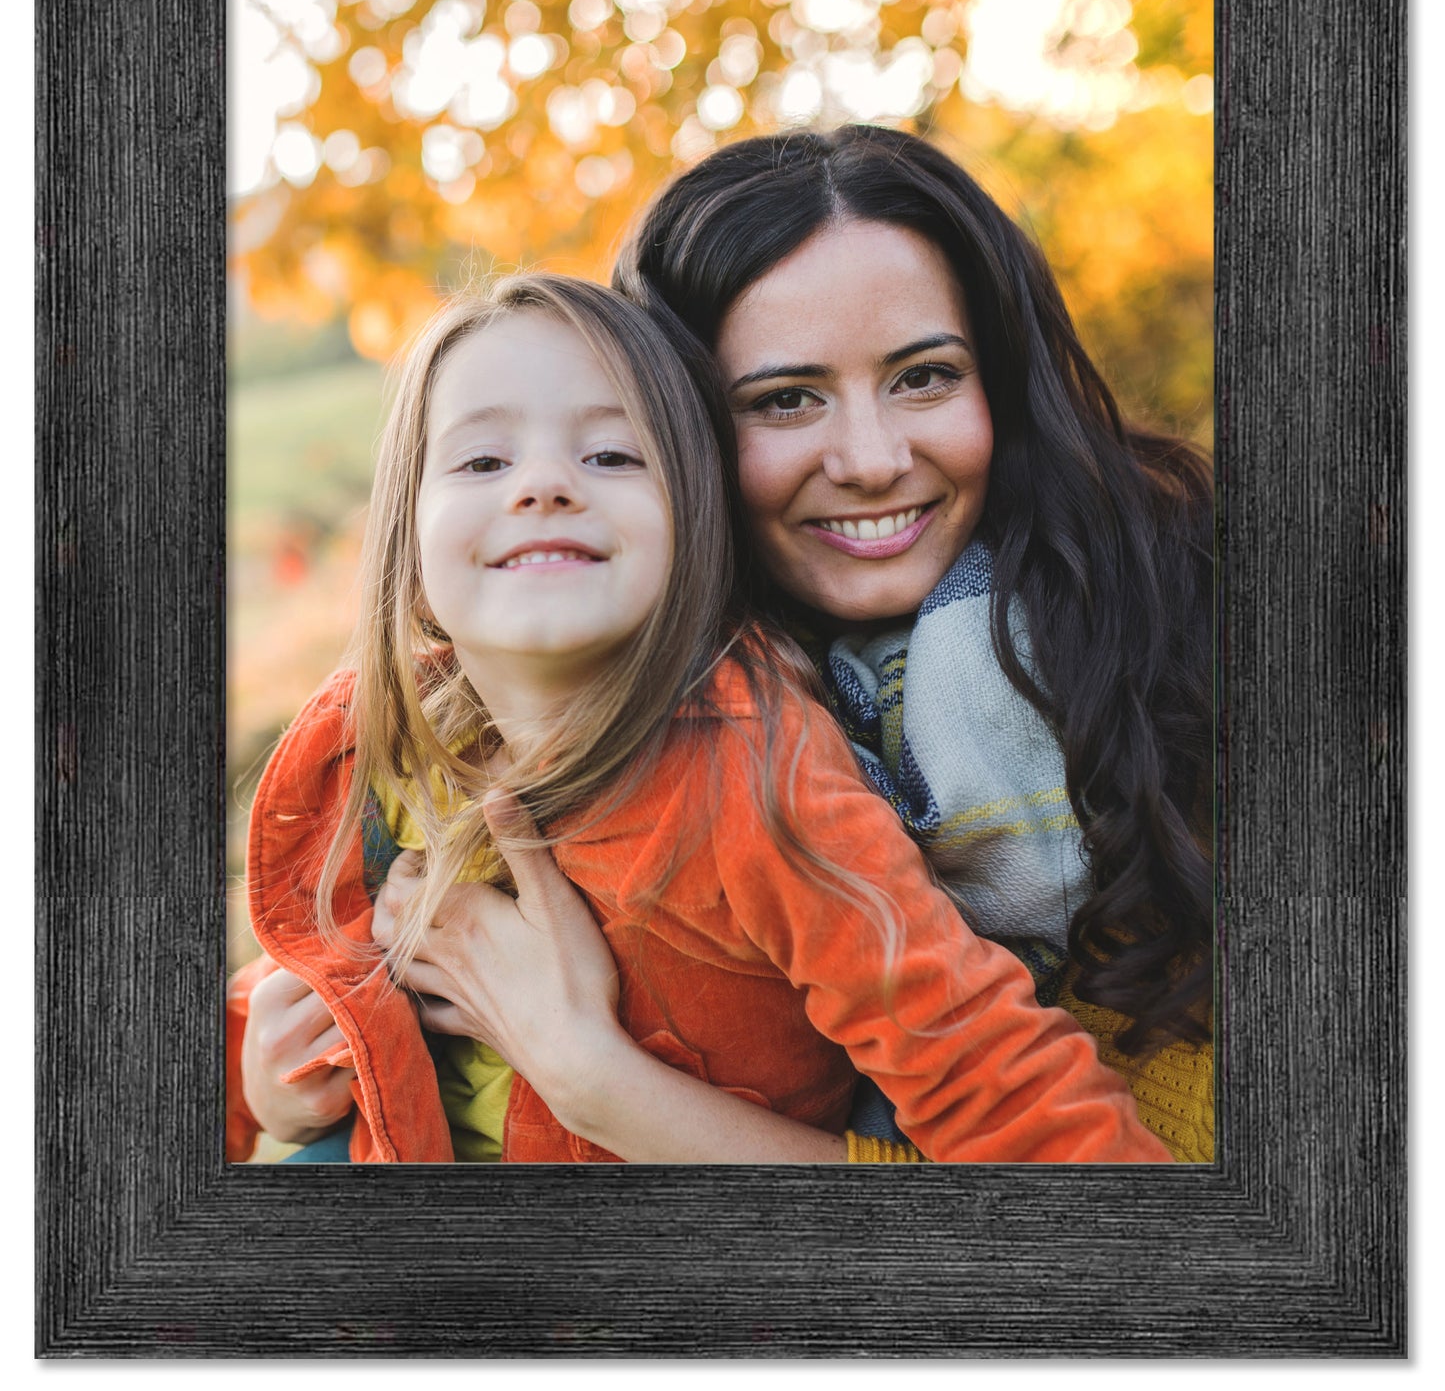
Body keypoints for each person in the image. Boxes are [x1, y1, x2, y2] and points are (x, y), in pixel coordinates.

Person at [227, 270, 1173, 1164]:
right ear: (409, 539)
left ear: (693, 521)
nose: (544, 483)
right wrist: (263, 1077)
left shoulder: (752, 778)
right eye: (481, 458)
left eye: (610, 454)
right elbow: (304, 960)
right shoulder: (381, 746)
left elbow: (992, 1078)